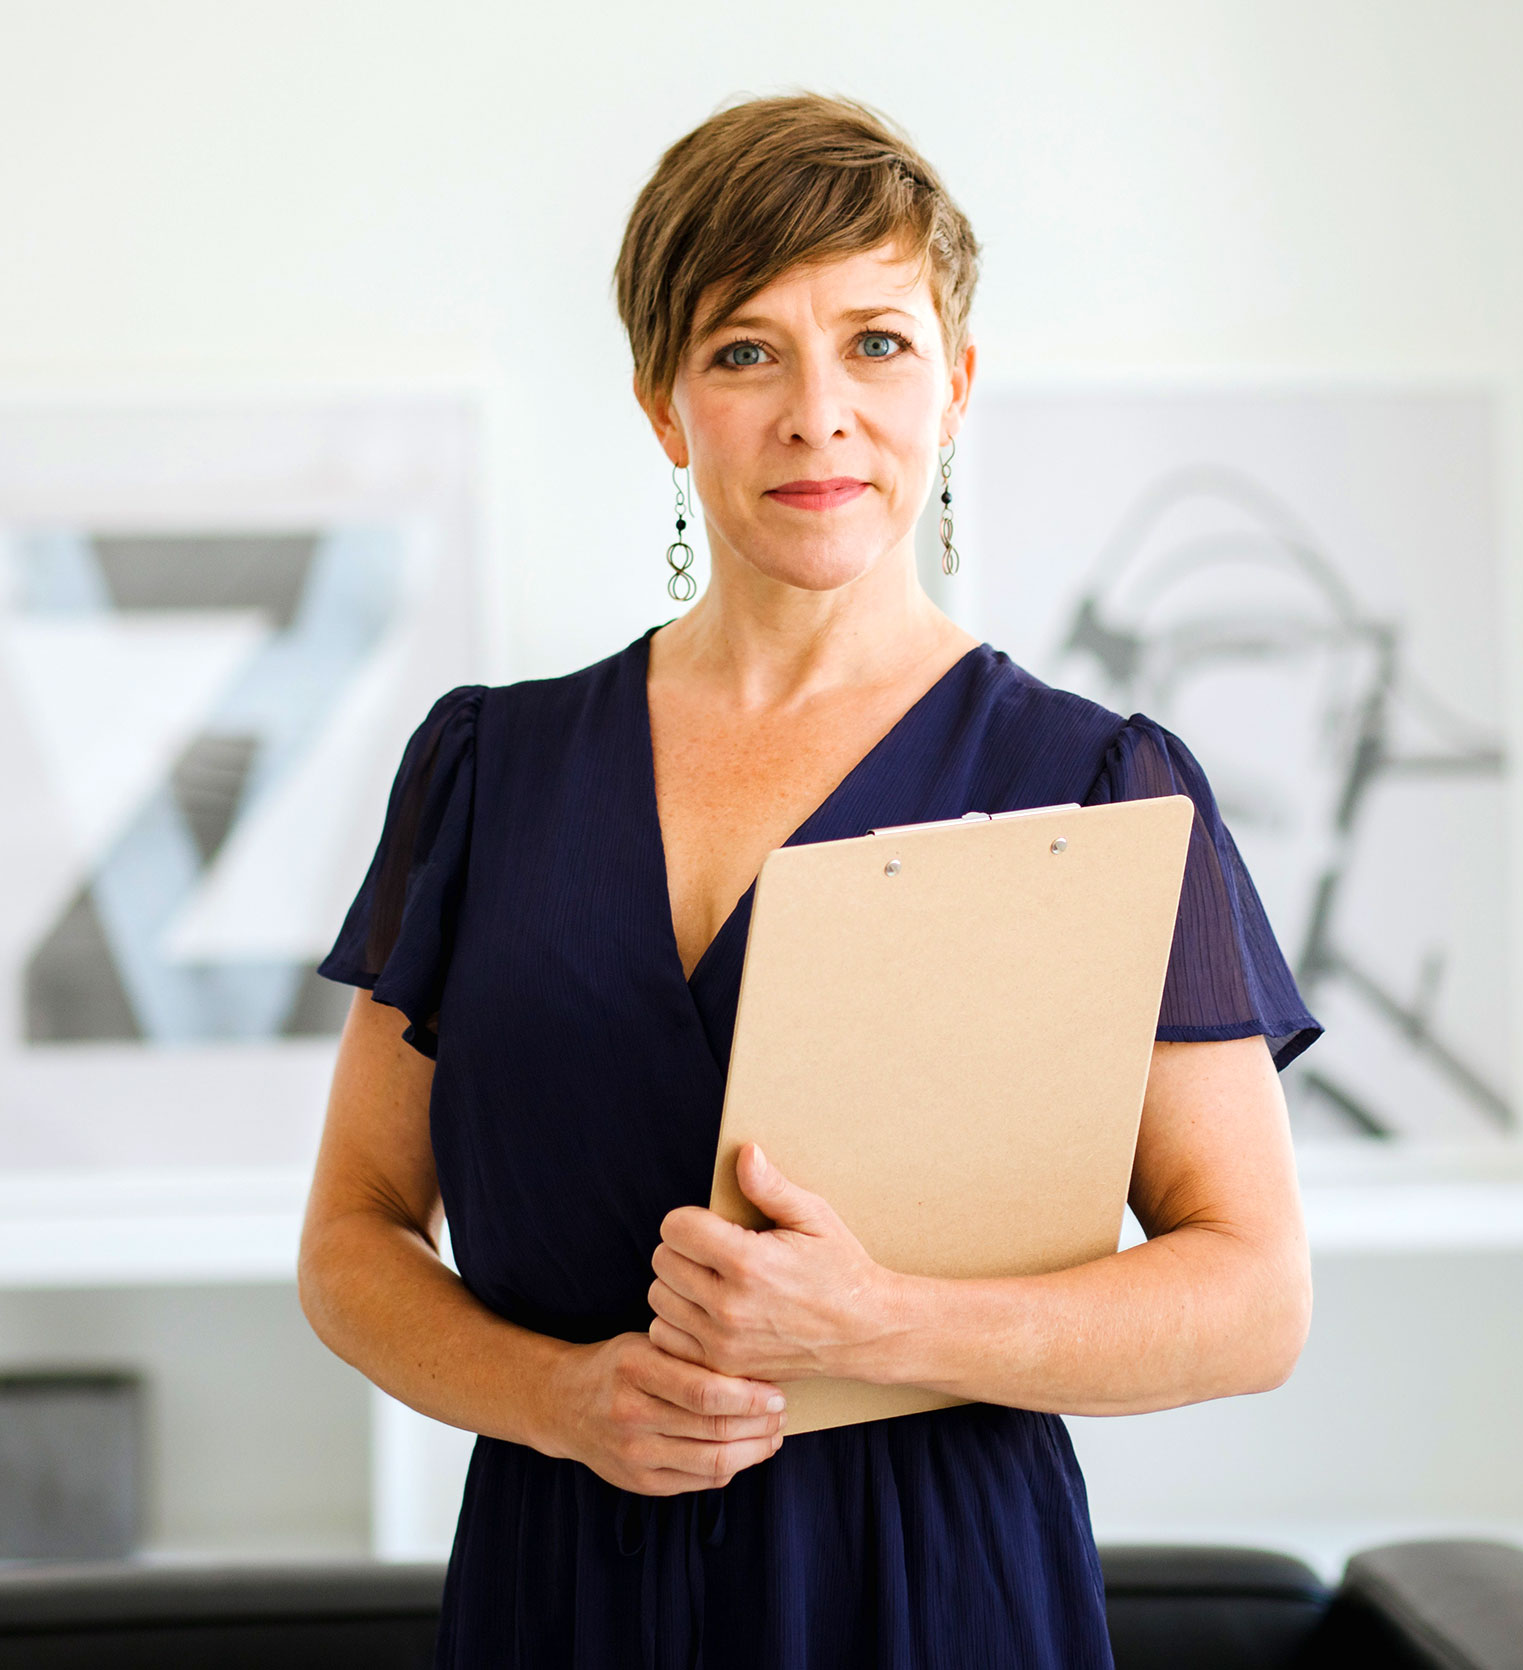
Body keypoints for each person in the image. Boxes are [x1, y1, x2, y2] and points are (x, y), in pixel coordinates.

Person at [298, 92, 1320, 1670]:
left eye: (879, 343)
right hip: (560, 1582)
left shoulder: (1100, 783)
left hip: (939, 1600)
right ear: (664, 406)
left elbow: (1253, 1296)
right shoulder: (487, 770)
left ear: (958, 383)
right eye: (745, 349)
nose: (817, 412)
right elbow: (352, 1241)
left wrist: (884, 1325)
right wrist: (564, 1402)